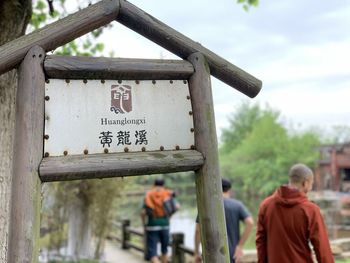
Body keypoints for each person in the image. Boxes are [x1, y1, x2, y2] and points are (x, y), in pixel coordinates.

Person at [256, 163, 334, 263]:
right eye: (311, 183)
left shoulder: (266, 205)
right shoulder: (310, 210)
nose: (310, 188)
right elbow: (322, 248)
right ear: (305, 183)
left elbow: (261, 242)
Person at [194, 178, 254, 263]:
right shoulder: (237, 205)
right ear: (230, 190)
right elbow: (250, 223)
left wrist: (196, 252)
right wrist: (240, 246)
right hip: (233, 255)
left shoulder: (206, 206)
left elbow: (198, 231)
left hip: (211, 256)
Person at [141, 178, 179, 263]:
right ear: (163, 184)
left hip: (152, 225)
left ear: (154, 184)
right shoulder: (167, 193)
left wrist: (144, 225)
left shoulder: (149, 194)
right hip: (165, 225)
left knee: (153, 254)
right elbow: (177, 206)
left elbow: (143, 212)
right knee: (164, 252)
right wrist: (169, 217)